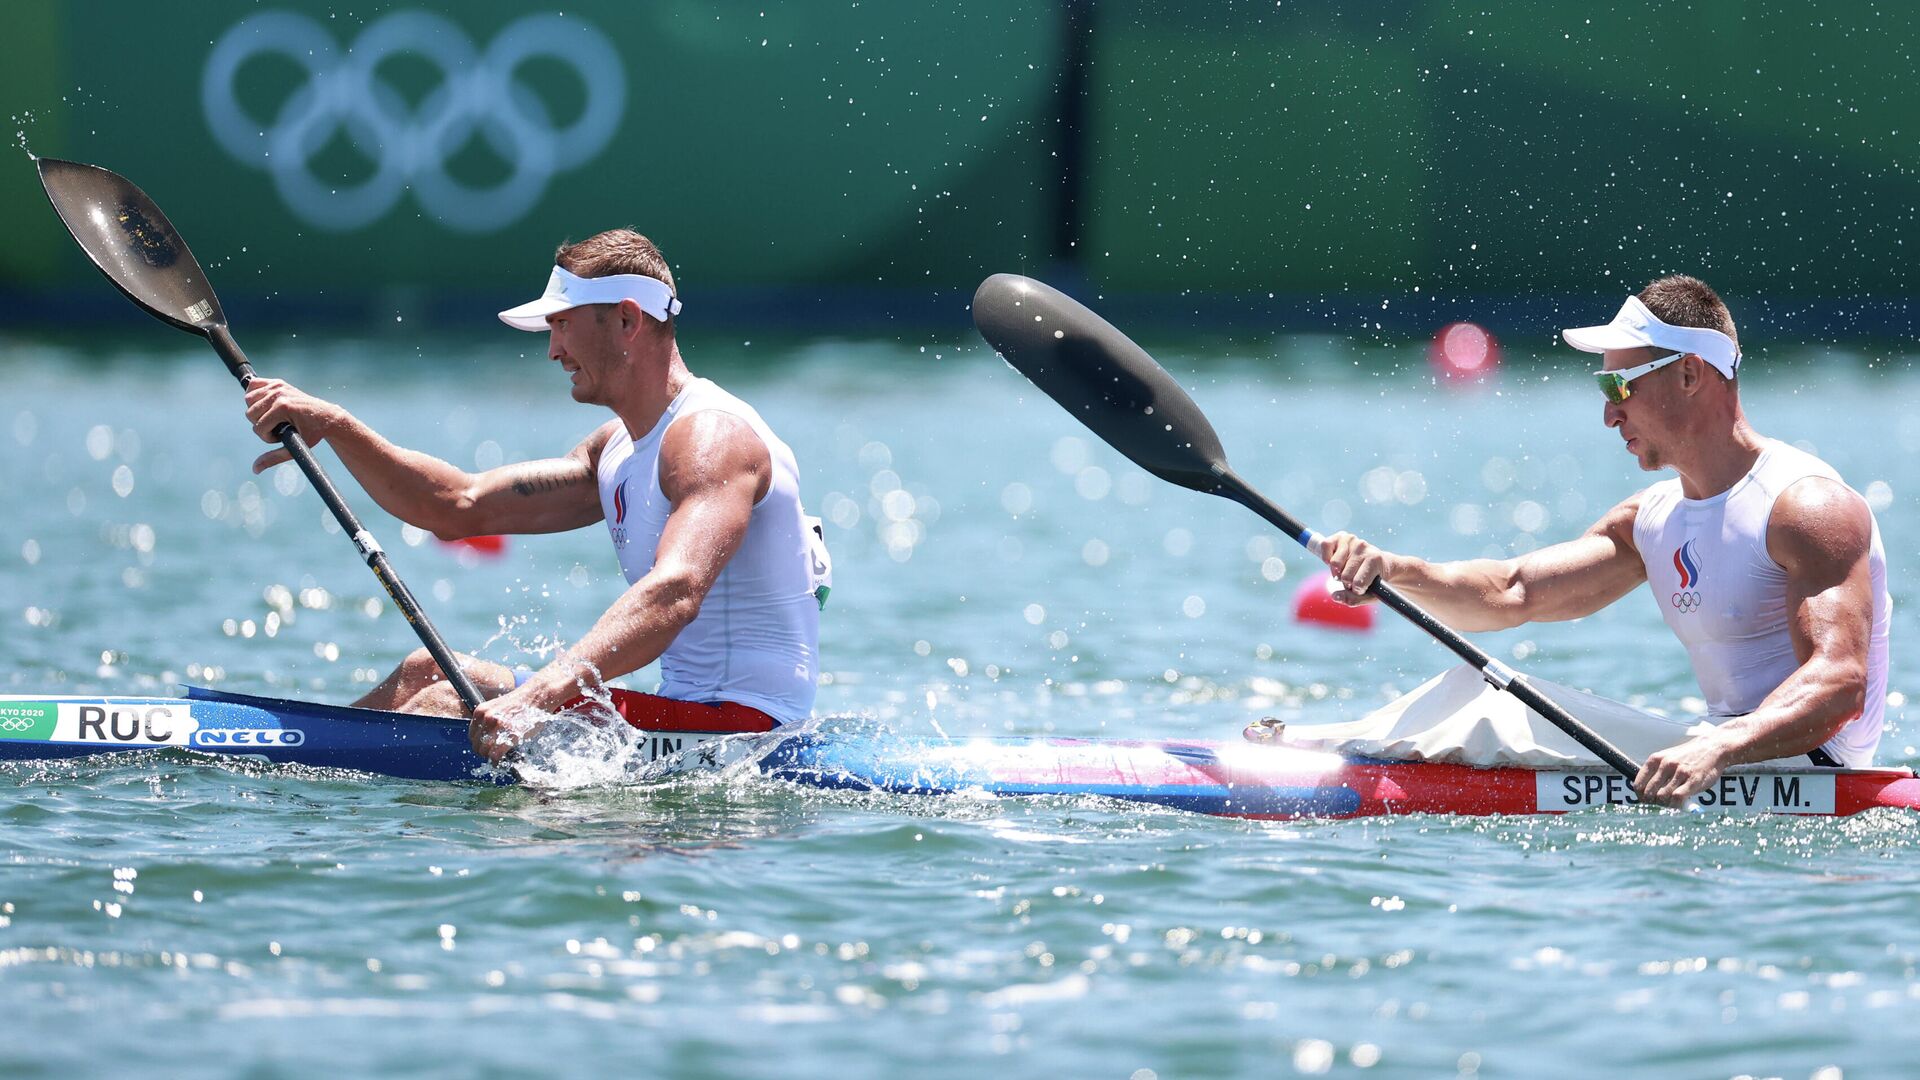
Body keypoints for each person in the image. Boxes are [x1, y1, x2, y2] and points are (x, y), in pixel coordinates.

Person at [243, 230, 829, 762]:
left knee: (446, 705)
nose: (552, 350)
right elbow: (456, 506)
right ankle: (297, 766)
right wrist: (338, 426)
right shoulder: (618, 449)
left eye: (563, 325)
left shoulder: (711, 437)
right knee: (423, 673)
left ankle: (315, 801)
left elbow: (674, 592)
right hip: (683, 713)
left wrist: (539, 698)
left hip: (747, 731)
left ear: (627, 321)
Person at [1315, 275, 1889, 805]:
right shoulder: (1652, 520)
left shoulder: (1807, 506)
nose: (1609, 414)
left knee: (1488, 706)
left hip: (1809, 769)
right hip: (1726, 756)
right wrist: (1394, 572)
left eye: (1619, 385)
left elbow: (1840, 681)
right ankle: (1323, 748)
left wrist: (1718, 747)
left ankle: (1307, 759)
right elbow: (1513, 591)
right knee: (1480, 689)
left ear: (1689, 375)